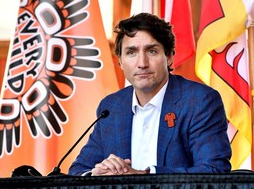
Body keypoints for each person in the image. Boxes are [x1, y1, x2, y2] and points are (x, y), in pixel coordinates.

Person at [68, 12, 232, 176]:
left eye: (151, 51)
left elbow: (213, 171)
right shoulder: (111, 107)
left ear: (168, 57)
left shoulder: (199, 101)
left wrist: (143, 176)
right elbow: (78, 170)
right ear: (120, 61)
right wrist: (96, 175)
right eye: (131, 52)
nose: (142, 64)